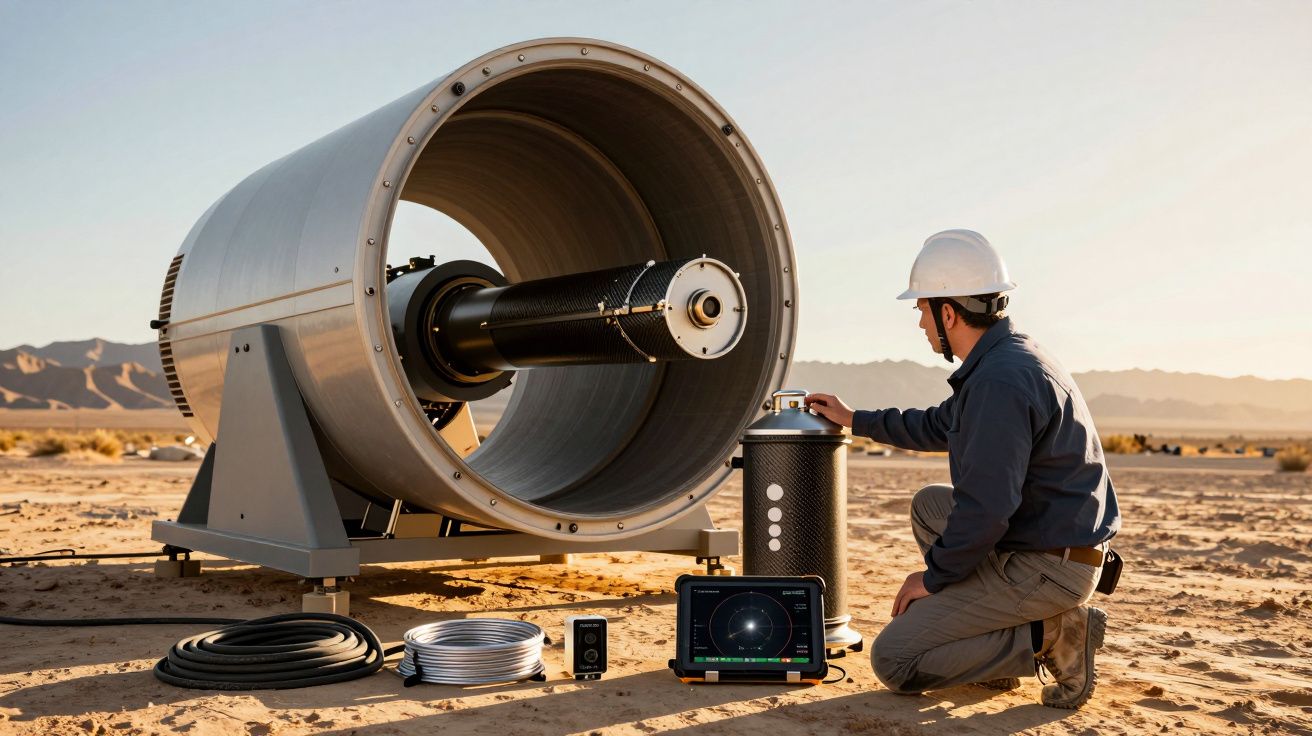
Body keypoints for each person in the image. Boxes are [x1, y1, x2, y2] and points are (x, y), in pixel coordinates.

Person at [806, 229, 1120, 710]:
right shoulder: (1008, 359)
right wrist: (855, 419)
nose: (920, 325)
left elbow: (988, 508)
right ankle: (997, 648)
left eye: (921, 311)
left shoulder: (999, 381)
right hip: (1047, 541)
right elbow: (938, 424)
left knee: (895, 659)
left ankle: (1053, 632)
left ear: (947, 312)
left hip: (1051, 567)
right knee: (931, 504)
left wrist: (931, 579)